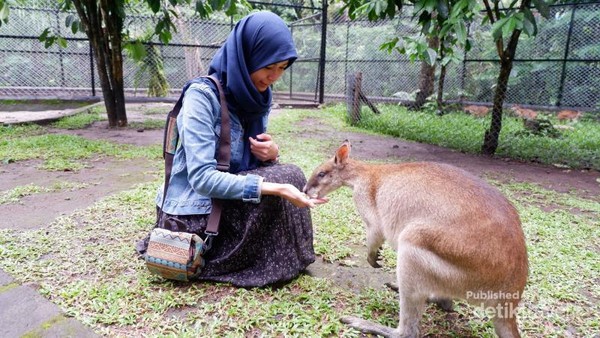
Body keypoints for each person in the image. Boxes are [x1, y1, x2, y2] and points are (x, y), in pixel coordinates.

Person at [136, 11, 326, 288]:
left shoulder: (256, 96)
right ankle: (245, 259)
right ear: (247, 55)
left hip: (226, 197)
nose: (274, 76)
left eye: (283, 68)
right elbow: (202, 179)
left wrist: (271, 154)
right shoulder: (201, 97)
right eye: (268, 67)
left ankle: (278, 258)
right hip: (195, 208)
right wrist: (275, 188)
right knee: (279, 185)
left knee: (291, 174)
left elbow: (247, 163)